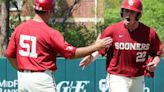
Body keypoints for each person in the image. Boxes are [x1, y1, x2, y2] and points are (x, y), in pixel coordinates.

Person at [5, 0, 113, 92]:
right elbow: (72, 53)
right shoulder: (50, 33)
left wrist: (21, 69)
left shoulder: (20, 28)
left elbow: (9, 55)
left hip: (23, 78)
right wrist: (96, 46)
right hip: (41, 79)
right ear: (49, 11)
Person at [79, 0, 163, 92]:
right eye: (126, 11)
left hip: (138, 77)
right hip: (117, 76)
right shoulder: (112, 30)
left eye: (132, 12)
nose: (128, 14)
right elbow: (101, 49)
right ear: (122, 12)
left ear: (138, 15)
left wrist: (154, 63)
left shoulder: (149, 33)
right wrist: (91, 57)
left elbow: (157, 54)